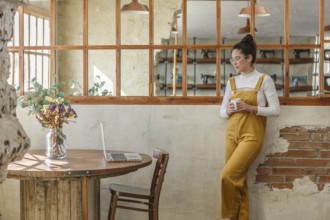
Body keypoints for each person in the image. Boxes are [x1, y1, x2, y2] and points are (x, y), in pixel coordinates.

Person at [220, 34, 280, 220]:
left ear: (249, 58)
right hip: (232, 134)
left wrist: (252, 108)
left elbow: (275, 110)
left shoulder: (264, 80)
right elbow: (221, 112)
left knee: (227, 176)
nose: (234, 62)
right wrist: (228, 110)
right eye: (232, 59)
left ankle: (228, 217)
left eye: (237, 58)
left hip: (252, 136)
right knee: (238, 179)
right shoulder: (232, 82)